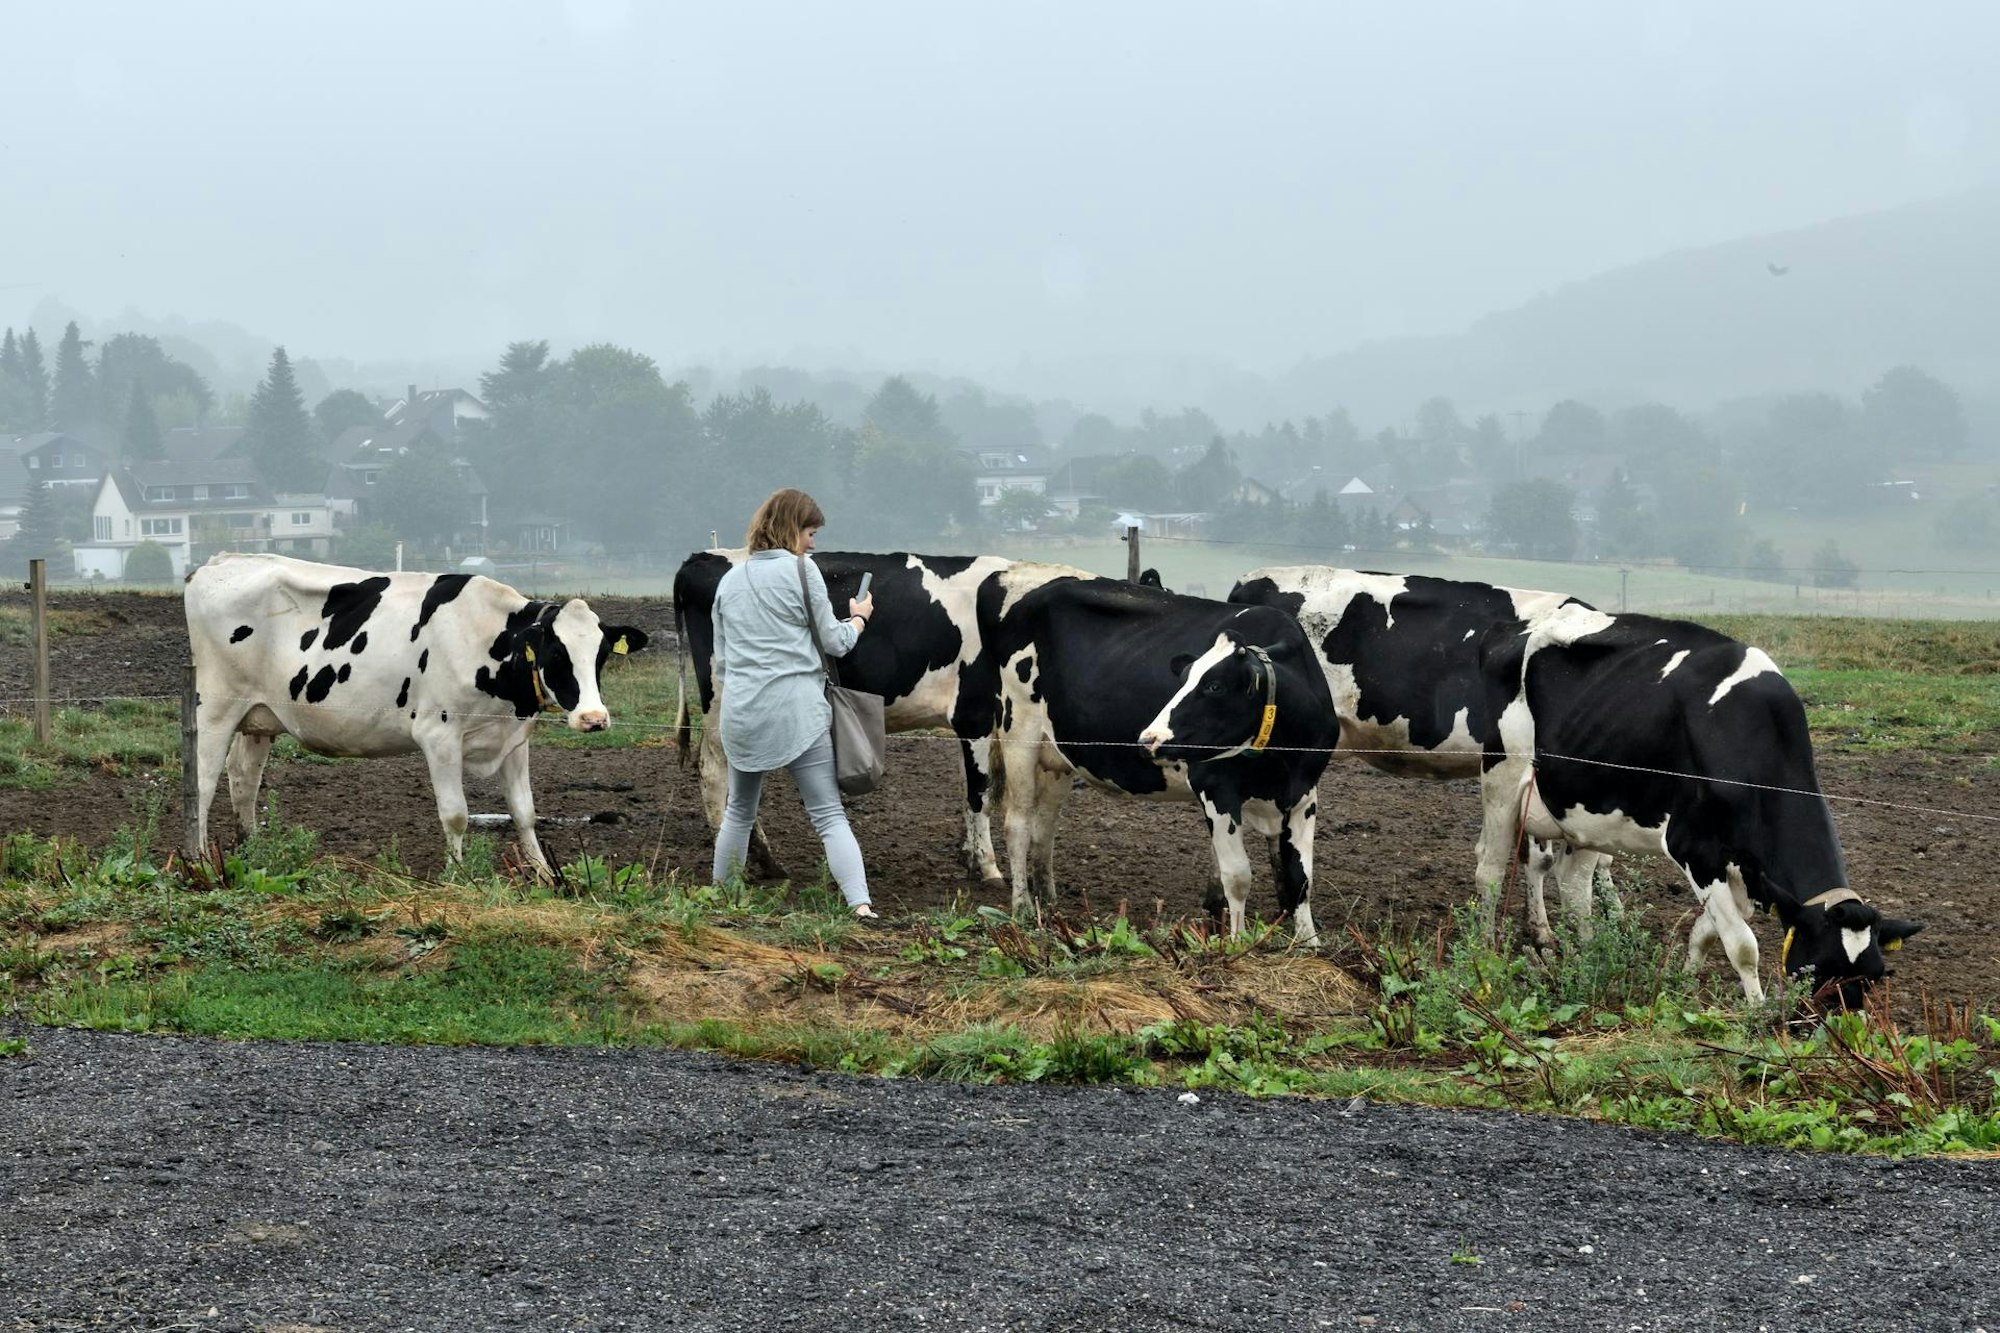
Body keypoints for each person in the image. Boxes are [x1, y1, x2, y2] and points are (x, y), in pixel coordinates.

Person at [709, 488, 882, 920]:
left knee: (738, 814)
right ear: (792, 529)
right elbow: (835, 643)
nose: (813, 543)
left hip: (743, 715)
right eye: (810, 532)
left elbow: (723, 663)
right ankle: (859, 904)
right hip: (797, 715)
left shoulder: (729, 581)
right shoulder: (803, 573)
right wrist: (859, 617)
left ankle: (720, 901)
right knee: (828, 814)